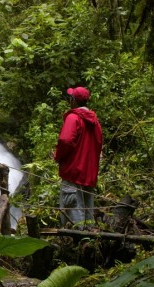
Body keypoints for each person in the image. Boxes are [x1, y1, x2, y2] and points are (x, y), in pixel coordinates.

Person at [53, 86, 102, 228]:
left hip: (73, 173)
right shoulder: (95, 122)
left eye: (70, 98)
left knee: (72, 216)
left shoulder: (73, 118)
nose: (69, 101)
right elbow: (98, 145)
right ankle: (89, 244)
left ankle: (75, 245)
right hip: (89, 175)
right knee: (87, 214)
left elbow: (65, 140)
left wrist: (58, 156)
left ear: (74, 101)